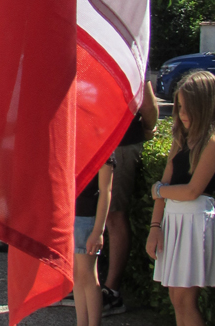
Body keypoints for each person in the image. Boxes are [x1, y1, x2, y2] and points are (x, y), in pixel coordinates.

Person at [146, 70, 215, 326]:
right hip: (172, 220)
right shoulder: (181, 139)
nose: (182, 113)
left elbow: (192, 190)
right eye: (179, 106)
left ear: (205, 106)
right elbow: (167, 180)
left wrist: (159, 191)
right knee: (175, 297)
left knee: (184, 300)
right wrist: (155, 227)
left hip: (195, 223)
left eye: (188, 107)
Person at [103, 78, 159, 315]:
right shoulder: (128, 42)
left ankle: (111, 291)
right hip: (101, 139)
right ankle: (91, 283)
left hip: (118, 141)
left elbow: (147, 104)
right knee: (100, 214)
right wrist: (147, 127)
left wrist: (146, 127)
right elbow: (149, 108)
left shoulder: (131, 46)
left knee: (112, 215)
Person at [73, 155, 115, 326]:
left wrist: (98, 230)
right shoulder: (74, 145)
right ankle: (82, 322)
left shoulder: (104, 151)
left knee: (88, 275)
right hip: (71, 215)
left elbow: (106, 192)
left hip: (87, 219)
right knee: (76, 275)